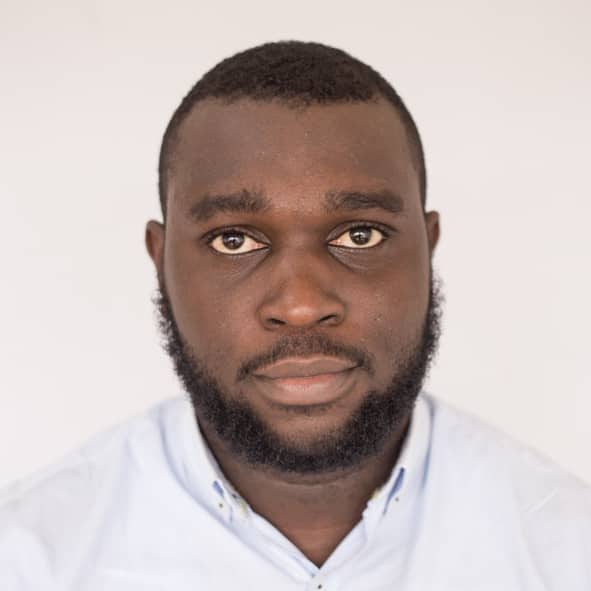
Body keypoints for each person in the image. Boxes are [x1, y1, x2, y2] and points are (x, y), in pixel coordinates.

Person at [1, 41, 589, 590]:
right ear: (161, 263)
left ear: (427, 249)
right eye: (234, 240)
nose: (302, 305)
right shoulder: (29, 560)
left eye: (360, 235)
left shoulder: (566, 549)